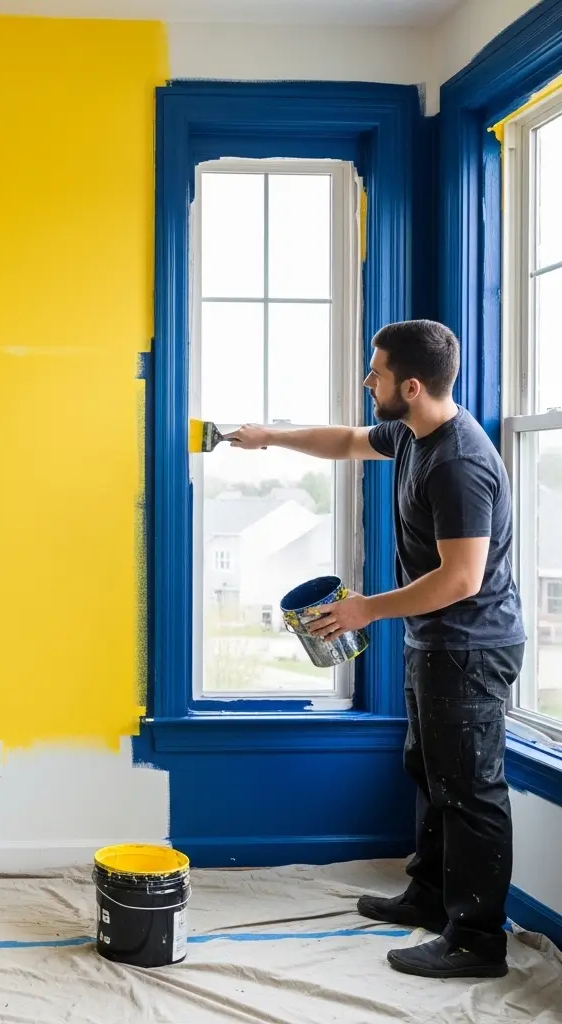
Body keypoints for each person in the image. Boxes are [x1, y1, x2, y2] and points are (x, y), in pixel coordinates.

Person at [227, 319, 525, 980]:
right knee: (430, 770)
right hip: (439, 642)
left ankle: (477, 939)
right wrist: (269, 436)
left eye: (377, 372)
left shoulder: (459, 463)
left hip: (472, 648)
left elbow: (461, 579)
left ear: (411, 386)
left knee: (470, 791)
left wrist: (366, 610)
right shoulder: (415, 433)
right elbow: (345, 441)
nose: (368, 381)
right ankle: (428, 896)